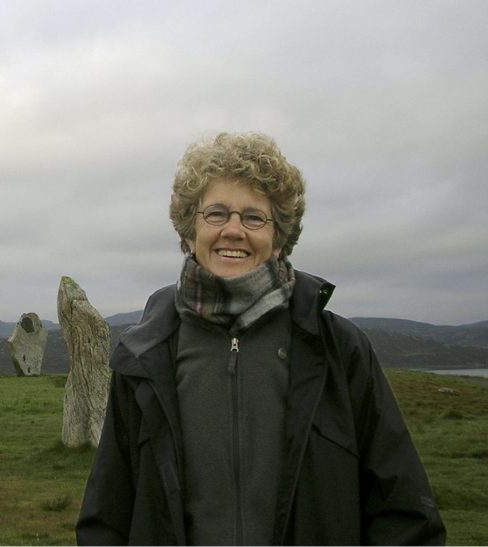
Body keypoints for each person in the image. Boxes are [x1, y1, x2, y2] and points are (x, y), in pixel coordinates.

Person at [75, 132, 445, 545]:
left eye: (254, 217)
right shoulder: (146, 353)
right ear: (189, 229)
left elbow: (405, 515)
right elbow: (106, 519)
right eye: (216, 213)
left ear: (279, 238)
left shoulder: (339, 349)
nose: (233, 230)